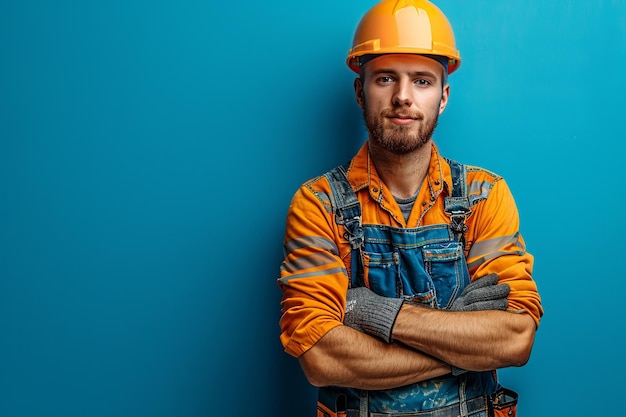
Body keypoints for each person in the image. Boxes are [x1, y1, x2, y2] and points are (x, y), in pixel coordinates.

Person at [277, 0, 543, 416]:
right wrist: (459, 344)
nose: (403, 97)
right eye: (385, 78)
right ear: (360, 90)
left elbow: (514, 339)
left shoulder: (482, 196)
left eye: (422, 81)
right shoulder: (319, 205)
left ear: (443, 96)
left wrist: (371, 311)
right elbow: (322, 357)